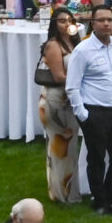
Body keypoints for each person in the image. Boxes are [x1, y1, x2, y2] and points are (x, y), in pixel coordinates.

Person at [70, 3, 112, 214]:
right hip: (94, 111)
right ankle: (100, 201)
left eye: (110, 20)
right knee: (97, 158)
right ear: (93, 23)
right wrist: (83, 114)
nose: (106, 24)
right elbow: (72, 86)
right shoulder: (82, 50)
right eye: (101, 20)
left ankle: (108, 197)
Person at [35, 12, 81, 205]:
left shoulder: (74, 43)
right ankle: (61, 193)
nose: (67, 24)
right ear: (55, 24)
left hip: (69, 100)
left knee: (70, 147)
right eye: (62, 21)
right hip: (55, 100)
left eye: (70, 21)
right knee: (59, 146)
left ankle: (69, 190)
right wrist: (82, 80)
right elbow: (59, 76)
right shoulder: (53, 45)